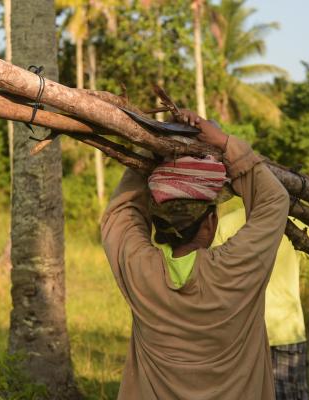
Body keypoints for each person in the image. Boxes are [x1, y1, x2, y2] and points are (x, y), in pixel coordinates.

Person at [101, 109, 290, 399]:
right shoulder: (235, 270)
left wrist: (152, 146)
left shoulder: (140, 270)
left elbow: (122, 212)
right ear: (211, 223)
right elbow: (274, 201)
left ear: (157, 220)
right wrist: (225, 143)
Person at [215, 208, 309, 400]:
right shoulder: (293, 223)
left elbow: (213, 281)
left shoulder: (226, 224)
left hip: (241, 334)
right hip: (286, 332)